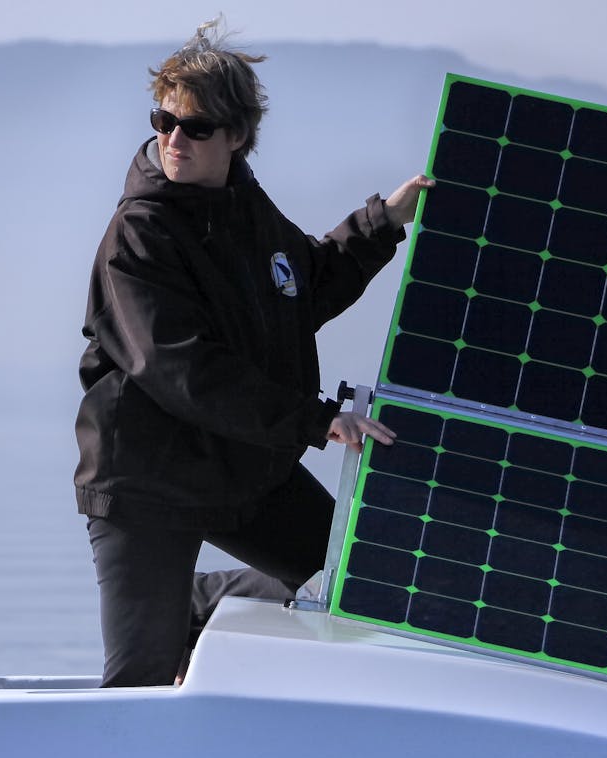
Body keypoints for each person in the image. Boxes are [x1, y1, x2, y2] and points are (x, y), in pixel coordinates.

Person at [73, 18, 434, 687]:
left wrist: (382, 222)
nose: (174, 139)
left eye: (196, 127)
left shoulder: (245, 210)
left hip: (243, 472)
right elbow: (181, 367)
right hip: (148, 484)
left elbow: (303, 287)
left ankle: (204, 601)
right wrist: (314, 419)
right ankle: (168, 607)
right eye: (163, 120)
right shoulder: (139, 234)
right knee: (140, 684)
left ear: (237, 137)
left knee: (362, 581)